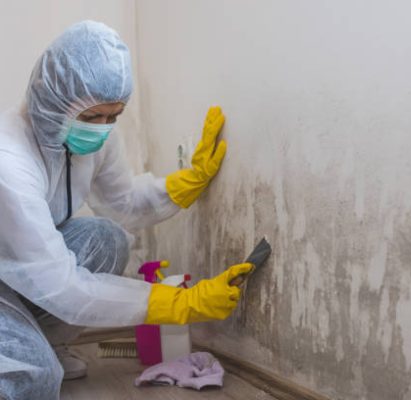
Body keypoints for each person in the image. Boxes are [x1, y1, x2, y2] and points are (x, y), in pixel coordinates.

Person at [0, 20, 252, 400]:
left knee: (107, 239)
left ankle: (43, 343)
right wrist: (179, 303)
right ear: (53, 100)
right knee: (33, 378)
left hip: (26, 268)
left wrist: (188, 182)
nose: (102, 129)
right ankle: (34, 352)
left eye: (113, 116)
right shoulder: (9, 159)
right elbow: (61, 286)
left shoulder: (93, 137)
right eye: (91, 118)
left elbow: (124, 204)